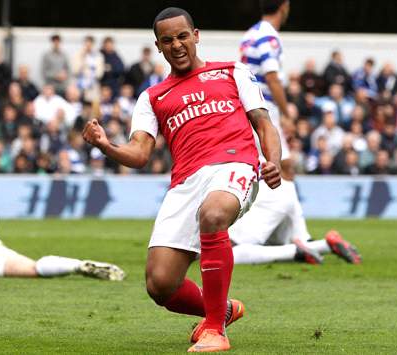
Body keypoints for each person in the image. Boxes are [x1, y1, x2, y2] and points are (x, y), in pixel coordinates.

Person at [82, 7, 282, 352]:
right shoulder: (153, 97)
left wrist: (273, 160)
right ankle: (223, 309)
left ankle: (216, 331)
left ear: (196, 35)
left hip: (234, 166)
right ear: (158, 46)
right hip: (186, 182)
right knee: (160, 285)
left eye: (182, 36)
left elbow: (263, 123)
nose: (177, 45)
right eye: (168, 40)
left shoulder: (233, 71)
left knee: (214, 214)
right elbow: (140, 153)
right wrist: (105, 145)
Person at [234, 0, 361, 266]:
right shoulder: (269, 35)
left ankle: (304, 238)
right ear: (284, 6)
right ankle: (304, 240)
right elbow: (271, 77)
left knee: (285, 167)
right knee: (279, 168)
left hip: (250, 109)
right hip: (263, 110)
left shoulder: (249, 35)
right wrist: (287, 112)